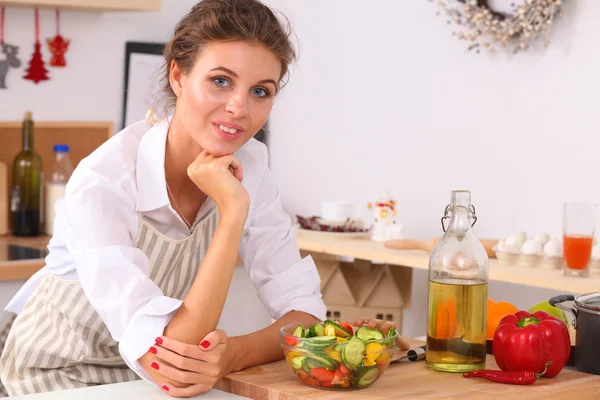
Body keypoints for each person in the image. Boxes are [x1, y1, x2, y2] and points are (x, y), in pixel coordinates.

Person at [0, 0, 329, 397]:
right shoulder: (104, 181)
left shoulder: (252, 164)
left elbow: (307, 318)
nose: (239, 108)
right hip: (56, 376)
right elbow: (171, 365)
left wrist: (231, 355)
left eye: (260, 91)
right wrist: (233, 211)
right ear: (178, 75)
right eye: (221, 81)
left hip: (150, 383)